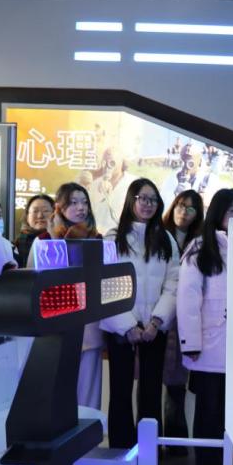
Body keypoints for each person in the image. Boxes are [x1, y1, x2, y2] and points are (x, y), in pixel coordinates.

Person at [176, 188, 233, 465]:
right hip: (210, 344)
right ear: (219, 214)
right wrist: (191, 343)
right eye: (232, 210)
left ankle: (232, 463)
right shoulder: (200, 248)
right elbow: (188, 298)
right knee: (210, 408)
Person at [100, 179, 179, 450]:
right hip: (122, 327)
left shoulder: (166, 239)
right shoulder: (113, 238)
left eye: (153, 200)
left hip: (154, 327)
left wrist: (156, 321)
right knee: (120, 391)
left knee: (151, 391)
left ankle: (149, 451)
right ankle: (121, 451)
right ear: (131, 200)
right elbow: (106, 285)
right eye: (142, 198)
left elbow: (173, 284)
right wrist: (128, 326)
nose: (148, 204)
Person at [40, 183, 105, 411]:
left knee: (88, 397)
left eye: (84, 202)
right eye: (74, 202)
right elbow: (37, 284)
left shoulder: (98, 240)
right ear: (60, 206)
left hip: (90, 326)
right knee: (56, 395)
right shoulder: (45, 240)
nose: (81, 208)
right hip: (56, 326)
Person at [160, 189, 205, 455]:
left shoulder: (200, 243)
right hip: (159, 317)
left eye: (190, 208)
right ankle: (155, 443)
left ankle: (176, 443)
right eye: (180, 205)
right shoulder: (159, 236)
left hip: (185, 322)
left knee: (177, 384)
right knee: (153, 385)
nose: (183, 212)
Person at [88, 148, 139, 234]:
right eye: (104, 162)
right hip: (98, 236)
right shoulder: (95, 184)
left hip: (124, 235)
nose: (107, 166)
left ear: (122, 162)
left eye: (112, 162)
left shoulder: (134, 183)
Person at [14, 194, 54, 268]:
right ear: (27, 217)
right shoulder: (18, 243)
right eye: (35, 211)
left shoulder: (60, 239)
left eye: (45, 211)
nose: (40, 216)